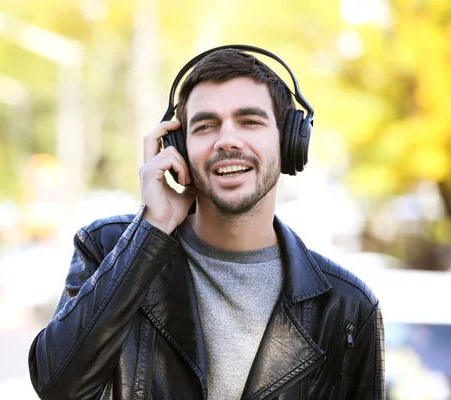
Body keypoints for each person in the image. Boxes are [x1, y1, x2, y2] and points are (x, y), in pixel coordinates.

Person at [28, 45, 385, 399]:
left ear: (290, 142)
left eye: (250, 121)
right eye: (206, 126)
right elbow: (58, 387)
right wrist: (152, 228)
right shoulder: (107, 248)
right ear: (178, 147)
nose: (228, 140)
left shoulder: (348, 308)